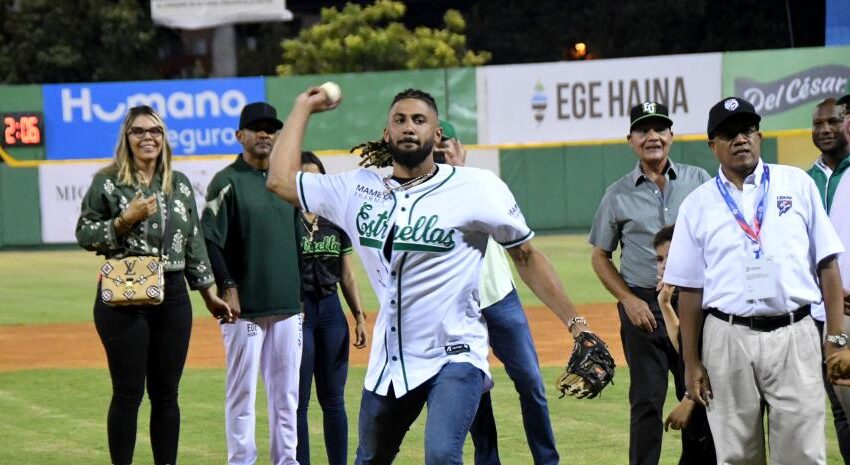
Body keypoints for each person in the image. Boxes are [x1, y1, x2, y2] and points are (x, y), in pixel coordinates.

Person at [266, 86, 609, 464]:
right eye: (399, 120)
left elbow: (526, 255)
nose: (409, 127)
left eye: (419, 120)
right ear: (386, 134)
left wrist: (577, 325)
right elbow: (280, 181)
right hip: (391, 363)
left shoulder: (475, 186)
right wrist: (302, 108)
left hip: (456, 353)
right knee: (368, 458)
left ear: (437, 134)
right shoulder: (356, 190)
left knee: (443, 454)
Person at [665, 97, 847, 465]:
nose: (740, 139)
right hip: (726, 337)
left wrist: (836, 339)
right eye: (729, 134)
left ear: (759, 135)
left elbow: (827, 265)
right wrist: (691, 362)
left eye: (747, 130)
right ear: (712, 145)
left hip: (795, 333)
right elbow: (689, 291)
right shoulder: (697, 204)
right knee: (735, 456)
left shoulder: (795, 183)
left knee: (804, 455)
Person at [76, 105, 231, 465]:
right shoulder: (108, 182)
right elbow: (85, 233)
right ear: (126, 139)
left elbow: (193, 241)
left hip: (173, 293)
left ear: (164, 138)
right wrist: (122, 221)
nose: (148, 137)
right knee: (128, 393)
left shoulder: (177, 184)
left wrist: (209, 293)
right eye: (139, 132)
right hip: (124, 295)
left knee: (166, 395)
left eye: (155, 131)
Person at [588, 101, 710, 465]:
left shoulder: (699, 181)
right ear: (631, 140)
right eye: (644, 130)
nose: (652, 136)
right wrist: (628, 299)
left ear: (672, 136)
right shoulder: (618, 193)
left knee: (698, 391)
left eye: (660, 129)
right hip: (643, 306)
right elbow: (599, 256)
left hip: (693, 302)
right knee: (646, 400)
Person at [435, 120, 559, 465]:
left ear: (460, 148)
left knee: (532, 383)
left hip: (499, 297)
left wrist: (460, 172)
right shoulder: (420, 193)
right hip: (459, 308)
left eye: (447, 145)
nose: (441, 152)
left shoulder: (480, 185)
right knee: (473, 390)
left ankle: (547, 461)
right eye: (436, 146)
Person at [201, 102, 304, 465]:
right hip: (242, 309)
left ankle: (286, 461)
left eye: (271, 129)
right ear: (239, 136)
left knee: (286, 396)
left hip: (288, 305)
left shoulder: (285, 182)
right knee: (242, 393)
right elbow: (209, 238)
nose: (265, 134)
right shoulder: (226, 181)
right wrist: (227, 284)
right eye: (256, 128)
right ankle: (242, 461)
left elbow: (298, 242)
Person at [296, 150, 368, 465]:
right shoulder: (286, 218)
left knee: (334, 400)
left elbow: (347, 274)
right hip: (298, 314)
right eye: (304, 175)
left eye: (316, 176)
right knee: (298, 402)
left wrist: (359, 317)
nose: (310, 181)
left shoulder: (334, 218)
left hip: (330, 312)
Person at [807, 96, 850, 464]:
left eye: (833, 121)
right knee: (837, 405)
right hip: (819, 314)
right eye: (818, 123)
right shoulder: (804, 181)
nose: (825, 129)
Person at [653, 225, 716, 465]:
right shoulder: (681, 296)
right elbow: (684, 345)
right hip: (699, 408)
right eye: (659, 259)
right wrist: (665, 304)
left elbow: (708, 355)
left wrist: (689, 400)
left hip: (708, 407)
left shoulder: (705, 297)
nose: (664, 265)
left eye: (670, 257)